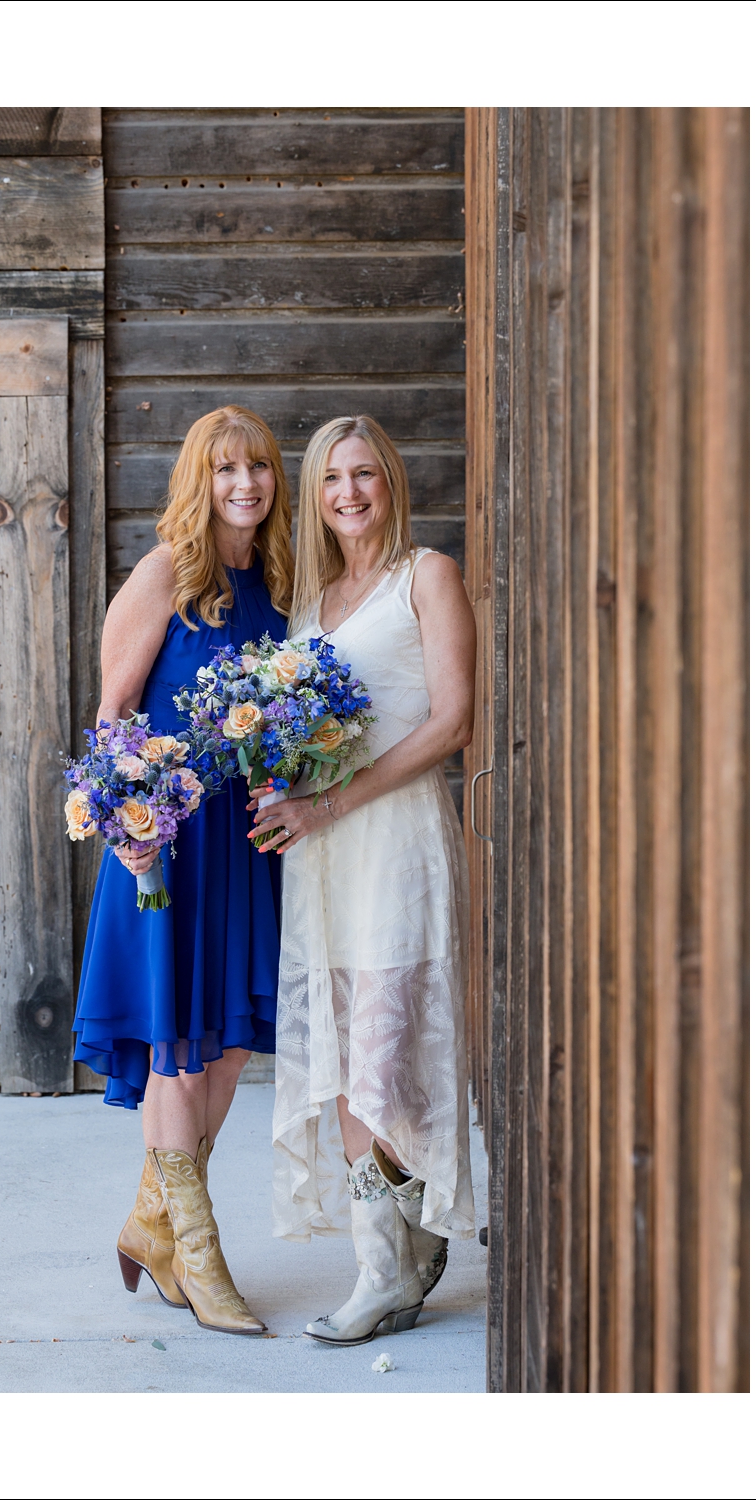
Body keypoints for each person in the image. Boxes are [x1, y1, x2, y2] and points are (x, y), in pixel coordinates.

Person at [247, 414, 478, 1347]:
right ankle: (387, 1265)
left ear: (391, 480)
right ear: (317, 494)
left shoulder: (427, 576)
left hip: (393, 844)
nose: (349, 492)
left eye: (365, 474)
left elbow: (452, 722)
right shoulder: (309, 604)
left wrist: (336, 802)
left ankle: (400, 1258)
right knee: (340, 1046)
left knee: (390, 1046)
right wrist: (280, 775)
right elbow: (299, 730)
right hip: (321, 853)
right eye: (333, 478)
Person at [72, 405, 291, 1336]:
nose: (244, 484)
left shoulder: (278, 583)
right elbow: (113, 713)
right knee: (176, 1046)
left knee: (231, 1042)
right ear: (198, 481)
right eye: (225, 469)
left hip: (244, 844)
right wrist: (131, 823)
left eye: (259, 468)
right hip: (164, 840)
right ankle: (199, 1258)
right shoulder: (168, 572)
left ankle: (152, 1225)